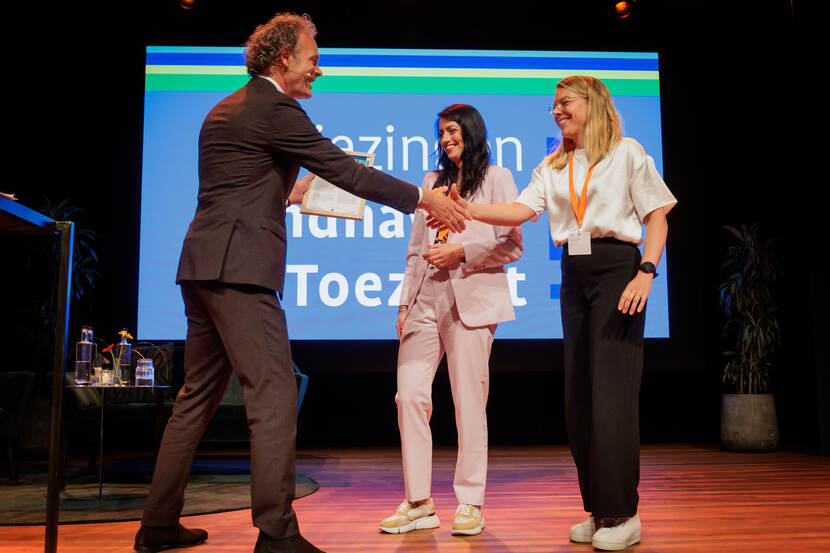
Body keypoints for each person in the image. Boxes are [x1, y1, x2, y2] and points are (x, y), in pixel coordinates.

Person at [133, 12, 468, 553]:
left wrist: (286, 194)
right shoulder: (274, 107)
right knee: (275, 395)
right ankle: (276, 534)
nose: (319, 68)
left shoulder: (225, 108)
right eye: (312, 57)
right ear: (282, 57)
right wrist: (425, 198)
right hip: (240, 273)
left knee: (194, 400)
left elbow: (239, 188)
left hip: (201, 268)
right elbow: (349, 173)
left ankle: (157, 527)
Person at [447, 76, 676, 551]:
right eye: (553, 105)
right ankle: (598, 510)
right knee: (581, 397)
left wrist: (647, 273)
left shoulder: (627, 152)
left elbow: (657, 215)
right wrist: (469, 210)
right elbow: (518, 211)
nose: (556, 111)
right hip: (575, 274)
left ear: (592, 104)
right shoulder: (553, 164)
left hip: (619, 270)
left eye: (564, 102)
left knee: (611, 395)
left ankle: (625, 514)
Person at [378, 104, 522, 537]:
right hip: (425, 298)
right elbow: (414, 248)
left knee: (468, 401)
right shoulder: (431, 183)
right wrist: (404, 304)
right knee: (409, 397)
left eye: (453, 131)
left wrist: (464, 252)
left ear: (472, 132)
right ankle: (419, 501)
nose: (444, 139)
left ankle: (470, 502)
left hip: (471, 298)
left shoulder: (496, 178)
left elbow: (513, 245)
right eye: (441, 132)